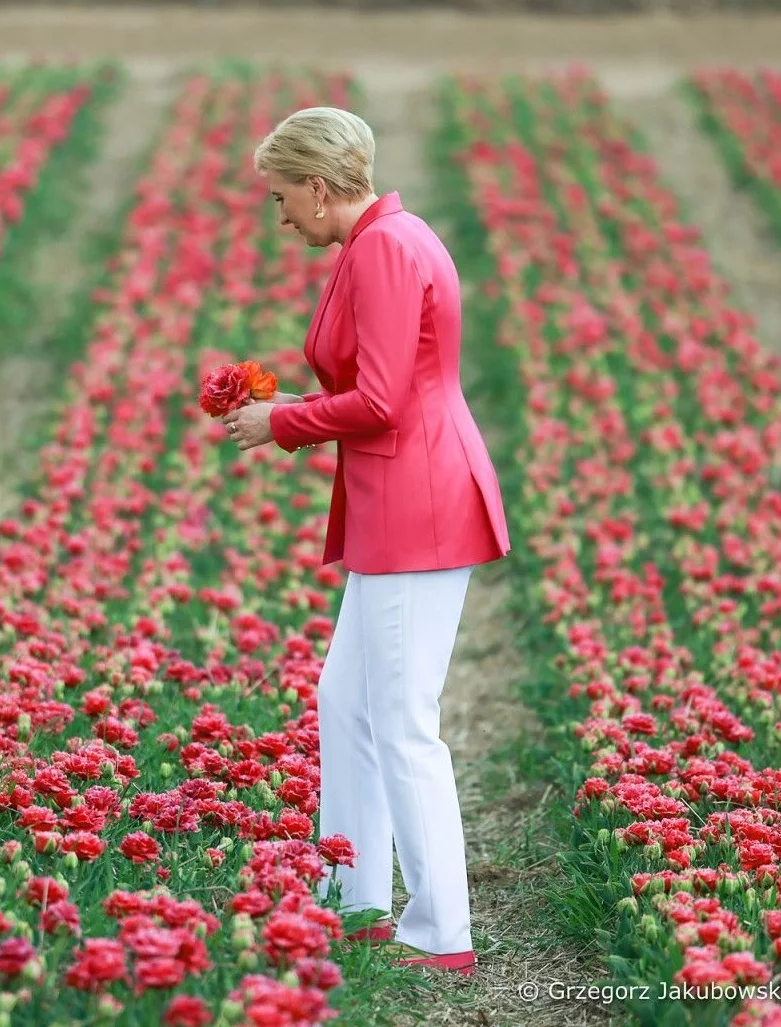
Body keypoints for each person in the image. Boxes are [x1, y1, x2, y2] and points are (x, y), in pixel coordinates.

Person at [224, 107, 511, 975]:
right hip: (402, 496)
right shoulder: (388, 236)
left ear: (319, 186)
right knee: (344, 702)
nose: (280, 217)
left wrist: (285, 422)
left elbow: (382, 398)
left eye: (282, 197)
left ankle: (441, 929)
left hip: (417, 504)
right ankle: (356, 895)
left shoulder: (385, 249)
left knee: (402, 719)